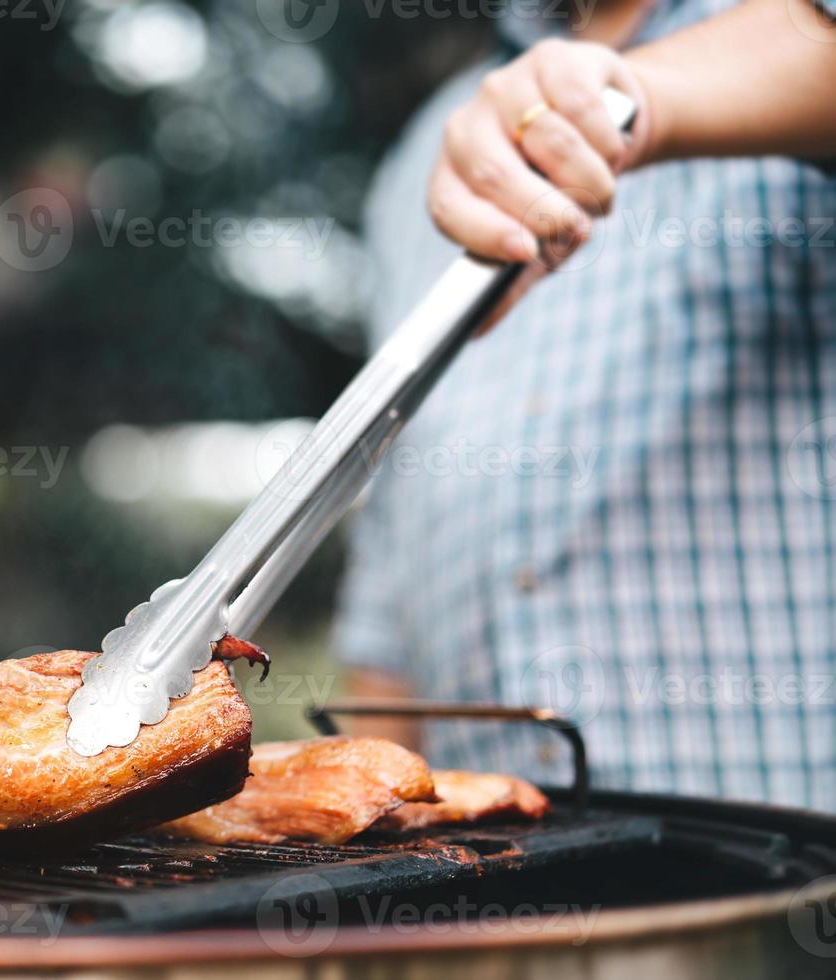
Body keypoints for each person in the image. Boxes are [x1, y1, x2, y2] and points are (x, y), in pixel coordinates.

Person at [336, 0, 836, 809]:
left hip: (782, 893)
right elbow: (390, 576)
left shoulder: (784, 39)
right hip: (487, 897)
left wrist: (632, 97)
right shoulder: (425, 154)